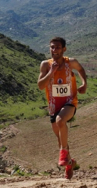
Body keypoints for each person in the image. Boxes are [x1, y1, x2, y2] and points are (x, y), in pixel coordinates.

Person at [37, 37, 87, 180]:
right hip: (54, 106)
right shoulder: (45, 65)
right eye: (52, 47)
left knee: (60, 121)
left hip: (70, 102)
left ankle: (64, 154)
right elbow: (40, 86)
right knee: (61, 139)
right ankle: (69, 163)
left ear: (64, 49)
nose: (55, 50)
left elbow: (81, 69)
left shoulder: (70, 62)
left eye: (58, 47)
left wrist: (84, 83)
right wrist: (51, 73)